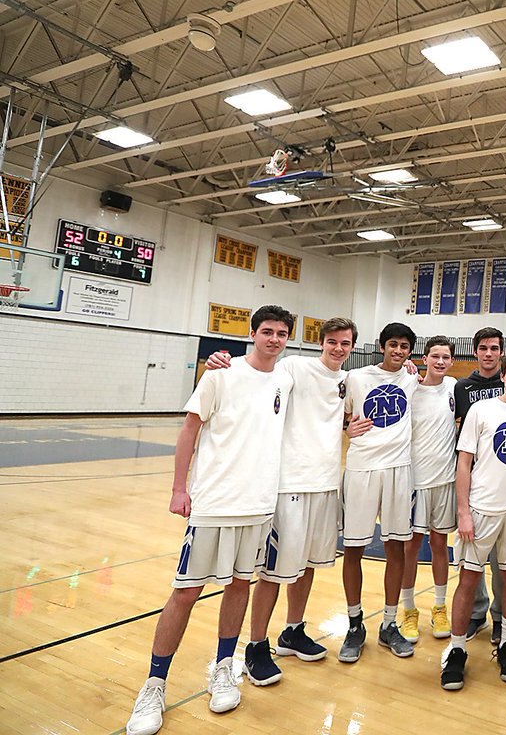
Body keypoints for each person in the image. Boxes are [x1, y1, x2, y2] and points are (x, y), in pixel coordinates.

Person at [125, 306, 295, 735]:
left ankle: (223, 668)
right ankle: (154, 684)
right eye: (267, 332)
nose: (273, 339)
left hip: (258, 506)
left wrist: (408, 368)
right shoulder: (219, 374)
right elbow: (189, 430)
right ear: (252, 334)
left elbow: (335, 372)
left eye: (281, 334)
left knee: (239, 586)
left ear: (288, 339)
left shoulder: (286, 378)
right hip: (214, 504)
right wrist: (179, 488)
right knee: (185, 593)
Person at [204, 317, 358, 685]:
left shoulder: (347, 380)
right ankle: (256, 645)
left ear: (352, 346)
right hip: (288, 484)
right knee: (273, 571)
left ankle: (292, 631)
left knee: (305, 566)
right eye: (332, 341)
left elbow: (351, 412)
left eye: (345, 343)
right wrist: (220, 360)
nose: (338, 348)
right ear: (320, 342)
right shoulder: (293, 367)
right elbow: (256, 370)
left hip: (325, 485)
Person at [441, 349, 506, 691]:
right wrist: (463, 512)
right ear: (503, 376)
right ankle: (456, 649)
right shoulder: (481, 410)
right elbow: (464, 463)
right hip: (481, 508)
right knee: (468, 580)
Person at [338, 322, 421, 662]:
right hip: (361, 470)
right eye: (393, 345)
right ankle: (355, 623)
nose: (398, 351)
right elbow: (337, 416)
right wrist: (347, 427)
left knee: (396, 547)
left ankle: (389, 623)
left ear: (410, 352)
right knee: (354, 548)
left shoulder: (413, 378)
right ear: (381, 346)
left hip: (399, 470)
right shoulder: (356, 377)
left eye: (404, 346)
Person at [400, 335, 458, 642]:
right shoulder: (410, 388)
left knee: (439, 545)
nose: (439, 361)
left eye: (445, 357)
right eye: (434, 356)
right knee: (411, 547)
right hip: (416, 481)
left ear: (451, 361)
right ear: (424, 358)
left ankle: (439, 606)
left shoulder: (453, 388)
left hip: (445, 480)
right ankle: (408, 609)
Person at [455, 326, 506, 643]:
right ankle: (477, 613)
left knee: (503, 558)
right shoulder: (461, 387)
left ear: (501, 352)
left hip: (504, 481)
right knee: (471, 554)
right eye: (483, 348)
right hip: (471, 480)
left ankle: (501, 616)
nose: (489, 353)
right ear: (475, 351)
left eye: (494, 348)